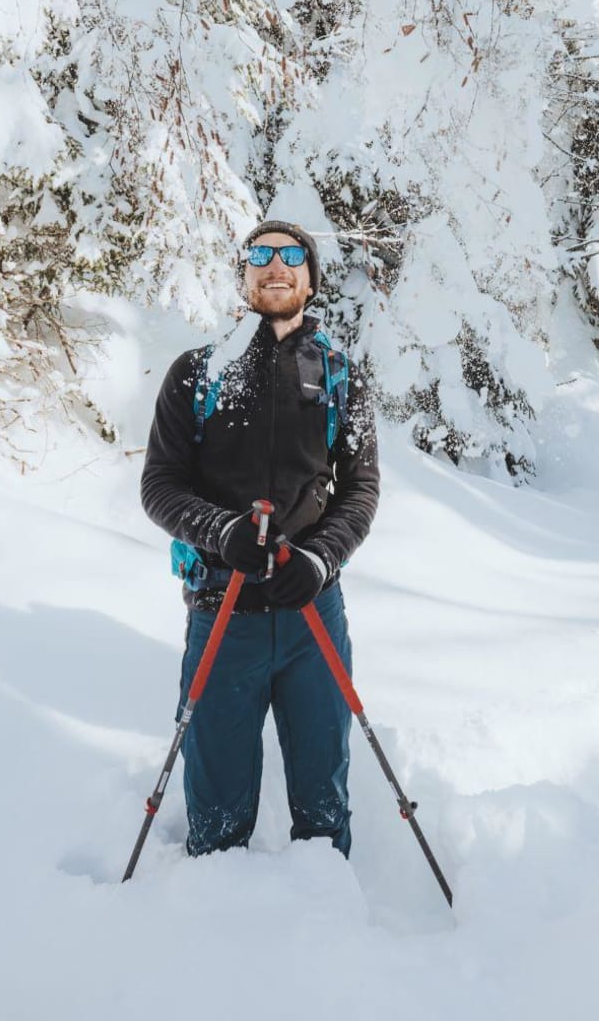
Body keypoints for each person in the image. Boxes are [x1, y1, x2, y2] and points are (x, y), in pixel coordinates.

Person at [139, 220, 378, 858]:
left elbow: (361, 490)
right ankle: (217, 937)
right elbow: (159, 486)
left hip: (311, 616)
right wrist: (220, 531)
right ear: (244, 276)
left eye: (291, 255)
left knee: (324, 804)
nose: (276, 265)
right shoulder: (198, 374)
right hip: (223, 612)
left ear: (310, 277)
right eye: (261, 255)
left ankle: (330, 927)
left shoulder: (338, 377)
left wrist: (321, 558)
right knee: (216, 817)